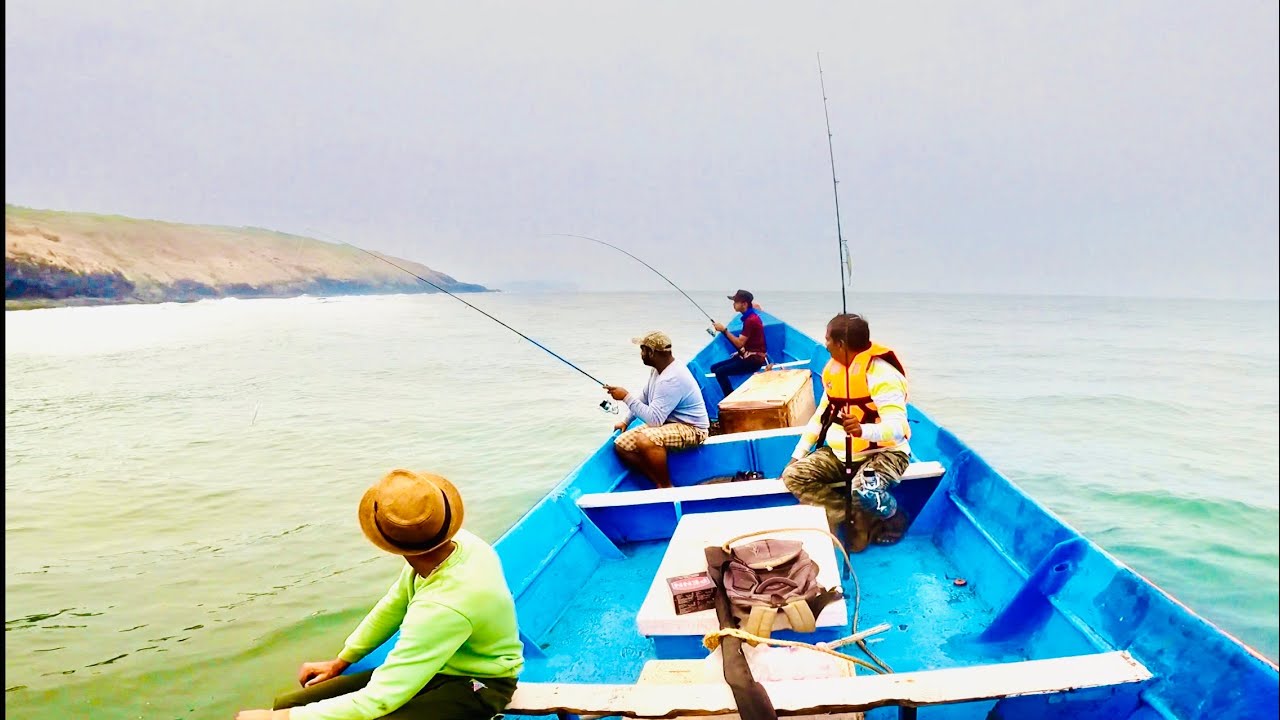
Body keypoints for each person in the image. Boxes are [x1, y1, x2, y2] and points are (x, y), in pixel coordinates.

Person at [235, 469, 524, 720]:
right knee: (288, 703)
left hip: (482, 683)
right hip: (441, 664)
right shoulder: (457, 543)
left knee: (290, 715)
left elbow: (377, 700)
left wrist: (278, 719)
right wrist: (342, 660)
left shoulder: (443, 606)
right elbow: (394, 604)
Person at [781, 313, 911, 553]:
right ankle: (849, 516)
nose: (825, 344)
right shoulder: (834, 372)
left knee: (864, 491)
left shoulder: (883, 376)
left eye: (828, 339)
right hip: (841, 453)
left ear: (840, 344)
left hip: (885, 453)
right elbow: (820, 417)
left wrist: (863, 430)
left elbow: (897, 429)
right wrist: (798, 455)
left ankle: (894, 516)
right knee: (794, 475)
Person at [604, 331, 710, 489]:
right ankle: (658, 481)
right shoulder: (658, 370)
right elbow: (644, 397)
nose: (641, 354)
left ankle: (667, 486)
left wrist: (625, 397)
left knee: (646, 439)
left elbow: (654, 421)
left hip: (693, 428)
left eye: (643, 350)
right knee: (622, 444)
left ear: (651, 353)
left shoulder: (671, 378)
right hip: (670, 423)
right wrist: (625, 421)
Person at [709, 289, 769, 397]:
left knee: (720, 372)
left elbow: (739, 344)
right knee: (714, 368)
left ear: (744, 304)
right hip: (747, 355)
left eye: (736, 302)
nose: (733, 304)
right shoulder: (749, 318)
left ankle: (730, 397)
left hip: (754, 361)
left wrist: (724, 330)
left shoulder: (751, 320)